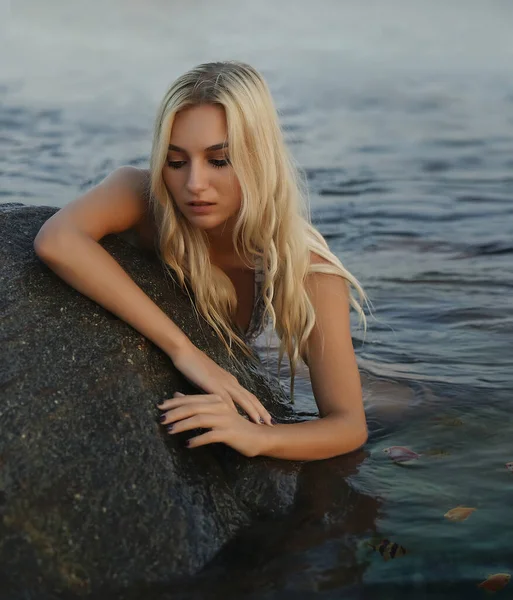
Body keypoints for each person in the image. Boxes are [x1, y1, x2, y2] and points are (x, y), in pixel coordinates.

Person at [34, 61, 369, 462]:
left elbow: (349, 424)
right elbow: (57, 240)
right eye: (176, 162)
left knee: (401, 408)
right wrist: (184, 350)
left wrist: (258, 437)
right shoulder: (141, 196)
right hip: (241, 370)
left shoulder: (308, 266)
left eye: (219, 160)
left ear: (258, 158)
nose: (194, 184)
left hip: (270, 375)